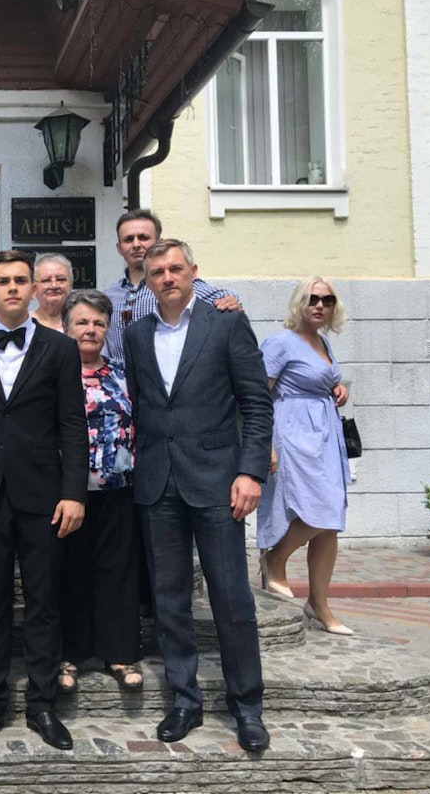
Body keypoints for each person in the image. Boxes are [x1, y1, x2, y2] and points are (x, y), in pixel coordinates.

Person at [124, 239, 274, 753]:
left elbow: (256, 401)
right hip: (158, 483)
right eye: (157, 272)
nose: (167, 277)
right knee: (169, 600)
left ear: (194, 272)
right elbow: (141, 404)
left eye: (175, 268)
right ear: (145, 281)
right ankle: (184, 700)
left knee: (231, 597)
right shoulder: (136, 334)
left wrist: (251, 471)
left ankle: (247, 707)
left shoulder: (226, 322)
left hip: (217, 481)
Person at [0, 249, 88, 751]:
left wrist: (74, 492)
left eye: (20, 280)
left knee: (43, 604)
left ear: (33, 289)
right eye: (2, 281)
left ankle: (42, 706)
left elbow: (74, 424)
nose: (12, 288)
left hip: (44, 497)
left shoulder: (60, 348)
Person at [256, 277, 353, 635]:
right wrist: (265, 444)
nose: (319, 305)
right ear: (299, 302)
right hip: (294, 433)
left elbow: (321, 379)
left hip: (325, 434)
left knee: (331, 522)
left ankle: (319, 603)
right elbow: (258, 396)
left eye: (327, 300)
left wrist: (337, 388)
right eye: (312, 298)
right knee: (319, 510)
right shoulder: (280, 342)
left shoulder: (322, 340)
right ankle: (276, 559)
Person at [57, 289, 142, 695]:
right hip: (67, 494)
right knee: (69, 574)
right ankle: (69, 655)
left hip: (118, 490)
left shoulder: (122, 374)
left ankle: (119, 652)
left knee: (117, 572)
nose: (90, 330)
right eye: (82, 322)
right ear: (65, 327)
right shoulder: (53, 372)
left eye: (98, 324)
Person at [104, 209, 242, 365]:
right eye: (129, 239)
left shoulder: (175, 287)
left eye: (143, 237)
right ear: (119, 247)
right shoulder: (109, 296)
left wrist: (231, 301)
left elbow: (225, 299)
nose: (136, 244)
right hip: (120, 383)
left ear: (158, 242)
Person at [30, 252, 73, 331]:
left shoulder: (80, 324)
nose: (54, 286)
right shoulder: (26, 324)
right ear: (34, 288)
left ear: (70, 285)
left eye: (61, 279)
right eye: (46, 280)